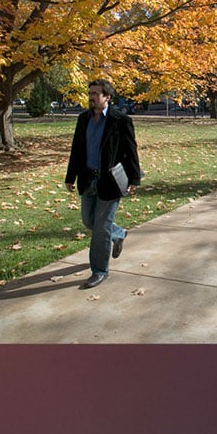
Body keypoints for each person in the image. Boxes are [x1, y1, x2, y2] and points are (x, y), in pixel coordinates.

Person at [64, 78, 142, 290]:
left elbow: (130, 151)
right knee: (89, 221)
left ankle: (99, 271)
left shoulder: (121, 120)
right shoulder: (83, 119)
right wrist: (70, 177)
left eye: (95, 94)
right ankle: (118, 234)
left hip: (109, 182)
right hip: (87, 179)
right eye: (90, 94)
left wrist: (134, 179)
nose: (91, 98)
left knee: (100, 229)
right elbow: (77, 150)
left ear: (107, 97)